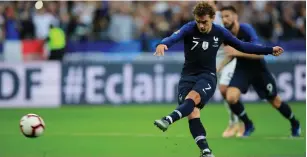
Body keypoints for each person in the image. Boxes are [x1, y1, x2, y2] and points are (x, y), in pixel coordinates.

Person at [153, 2, 283, 157]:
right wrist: (162, 44)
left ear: (213, 18)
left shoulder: (220, 32)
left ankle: (169, 119)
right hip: (187, 77)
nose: (201, 26)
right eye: (199, 22)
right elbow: (173, 37)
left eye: (205, 22)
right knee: (193, 113)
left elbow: (243, 46)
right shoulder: (189, 28)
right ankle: (206, 151)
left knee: (193, 98)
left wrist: (269, 50)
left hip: (207, 76)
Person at [219, 5, 301, 137]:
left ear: (235, 16)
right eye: (222, 17)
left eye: (227, 16)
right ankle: (248, 124)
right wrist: (217, 68)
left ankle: (294, 123)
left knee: (275, 101)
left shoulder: (246, 30)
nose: (224, 20)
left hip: (258, 69)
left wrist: (237, 53)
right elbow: (230, 55)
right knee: (231, 97)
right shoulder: (225, 35)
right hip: (242, 69)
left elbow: (259, 53)